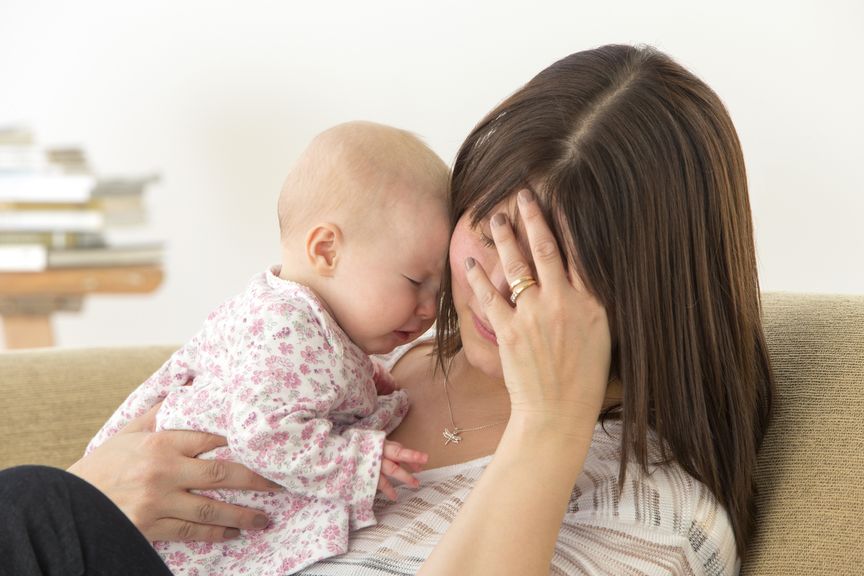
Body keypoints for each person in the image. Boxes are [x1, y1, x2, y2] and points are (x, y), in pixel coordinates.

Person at [2, 44, 773, 575]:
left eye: (544, 264)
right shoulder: (358, 341)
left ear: (640, 299)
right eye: (491, 228)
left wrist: (548, 427)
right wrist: (95, 492)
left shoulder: (658, 514)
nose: (492, 284)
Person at [85, 121, 449, 575]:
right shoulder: (283, 326)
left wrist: (367, 377)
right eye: (416, 281)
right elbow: (265, 434)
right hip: (167, 532)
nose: (429, 308)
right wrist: (353, 461)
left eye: (441, 289)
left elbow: (314, 377)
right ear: (327, 250)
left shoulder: (305, 319)